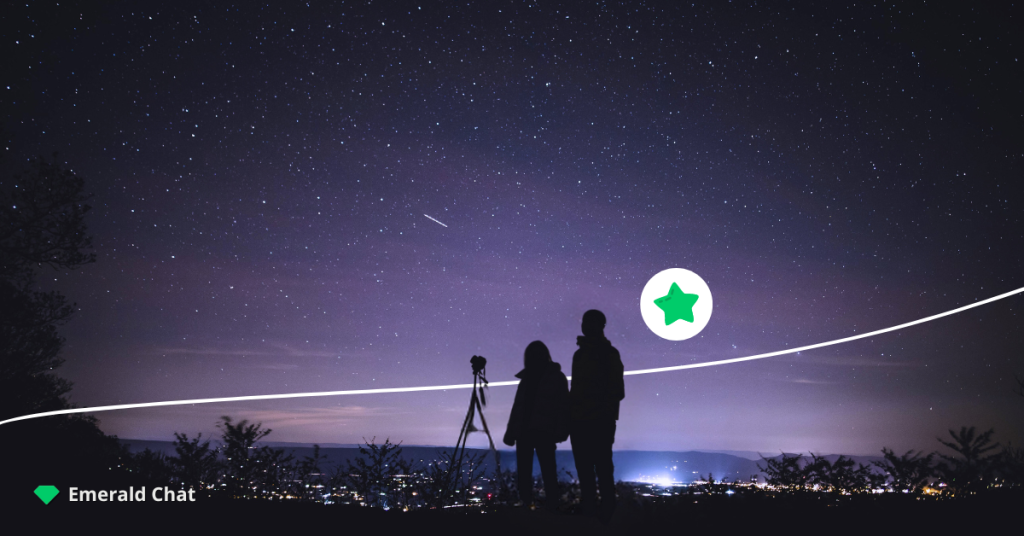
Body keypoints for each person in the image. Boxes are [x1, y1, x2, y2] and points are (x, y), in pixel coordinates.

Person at [569, 309, 624, 522]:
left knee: (599, 466)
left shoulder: (607, 354)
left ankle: (603, 512)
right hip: (586, 420)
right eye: (584, 322)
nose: (585, 326)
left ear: (600, 325)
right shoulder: (582, 354)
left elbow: (617, 391)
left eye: (589, 322)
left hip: (597, 420)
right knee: (588, 467)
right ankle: (593, 511)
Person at [503, 340, 570, 509]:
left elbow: (563, 406)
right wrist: (511, 432)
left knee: (545, 470)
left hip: (542, 431)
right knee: (530, 472)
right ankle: (532, 504)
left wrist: (561, 430)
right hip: (531, 431)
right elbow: (518, 408)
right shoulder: (531, 379)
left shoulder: (552, 377)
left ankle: (548, 506)